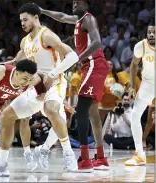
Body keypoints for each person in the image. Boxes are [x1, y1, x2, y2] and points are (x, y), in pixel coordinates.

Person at [0, 3, 79, 177]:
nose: (23, 23)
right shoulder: (25, 41)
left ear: (36, 17)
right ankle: (1, 164)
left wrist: (53, 73)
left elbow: (73, 55)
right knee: (7, 116)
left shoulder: (46, 35)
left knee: (51, 110)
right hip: (34, 85)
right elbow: (15, 62)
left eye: (25, 19)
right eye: (21, 21)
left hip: (54, 82)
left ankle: (69, 155)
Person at [40, 0, 110, 172]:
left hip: (94, 64)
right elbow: (62, 17)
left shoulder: (88, 19)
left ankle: (85, 159)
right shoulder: (79, 20)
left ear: (87, 4)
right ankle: (100, 158)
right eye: (73, 2)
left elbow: (97, 43)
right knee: (93, 113)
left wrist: (77, 58)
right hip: (91, 66)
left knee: (81, 110)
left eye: (78, 2)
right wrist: (42, 11)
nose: (74, 4)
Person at [124, 20, 155, 166]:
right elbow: (134, 65)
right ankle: (139, 154)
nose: (151, 34)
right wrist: (132, 87)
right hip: (148, 84)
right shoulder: (141, 46)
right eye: (149, 32)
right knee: (135, 115)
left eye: (154, 32)